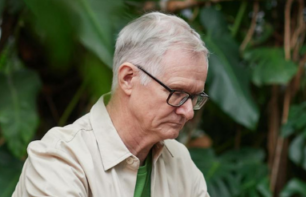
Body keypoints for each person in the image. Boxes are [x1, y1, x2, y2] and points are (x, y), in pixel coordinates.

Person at [12, 12, 210, 196]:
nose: (188, 112)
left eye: (194, 97)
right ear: (128, 78)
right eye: (177, 93)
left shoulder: (178, 159)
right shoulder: (60, 158)